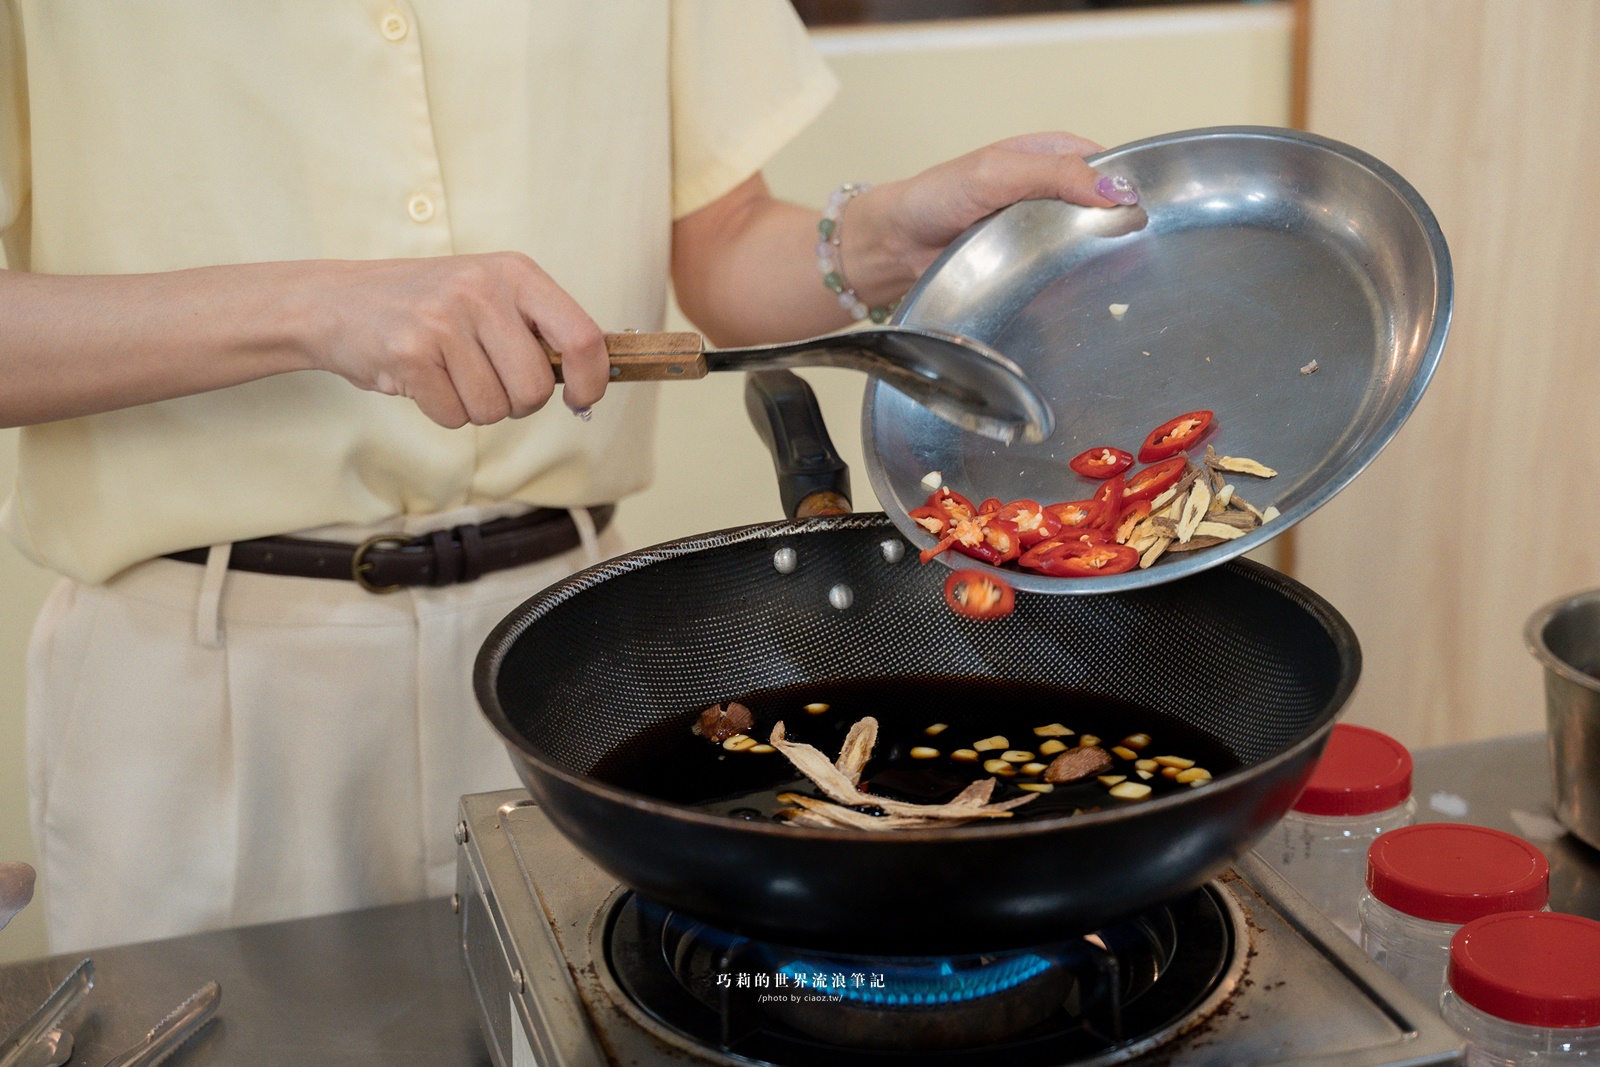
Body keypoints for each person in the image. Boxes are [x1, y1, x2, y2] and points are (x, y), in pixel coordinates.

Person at [0, 1, 1139, 953]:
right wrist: (312, 306)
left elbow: (723, 245)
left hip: (576, 662)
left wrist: (883, 236)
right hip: (201, 681)